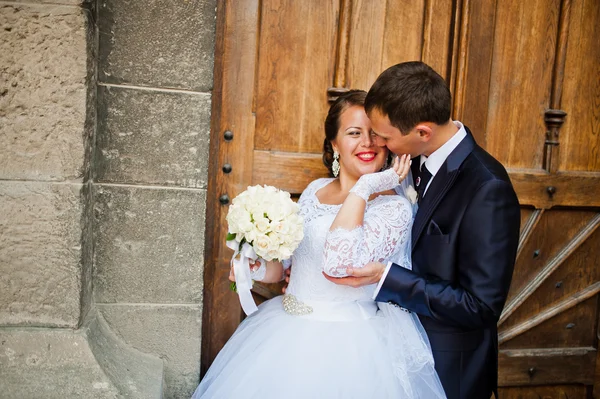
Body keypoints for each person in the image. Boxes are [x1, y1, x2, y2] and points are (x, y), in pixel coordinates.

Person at [192, 90, 446, 398]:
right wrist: (254, 267)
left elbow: (339, 265)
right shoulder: (315, 190)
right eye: (354, 133)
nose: (366, 142)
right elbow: (287, 265)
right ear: (335, 144)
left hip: (352, 347)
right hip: (284, 334)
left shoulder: (393, 209)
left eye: (374, 134)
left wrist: (366, 187)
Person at [324, 62, 521, 399]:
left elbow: (480, 306)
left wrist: (388, 277)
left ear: (422, 132)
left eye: (385, 136)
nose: (379, 145)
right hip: (383, 353)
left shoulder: (487, 187)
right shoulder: (409, 159)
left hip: (444, 367)